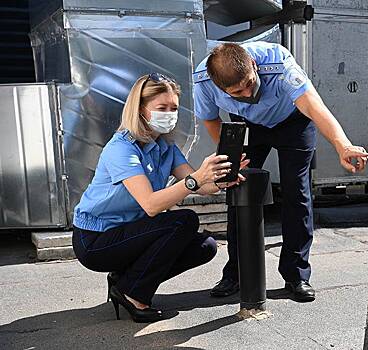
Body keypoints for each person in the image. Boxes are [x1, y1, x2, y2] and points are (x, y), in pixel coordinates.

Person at [193, 42, 368, 302]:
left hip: (293, 122)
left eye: (249, 84)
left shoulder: (279, 64)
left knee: (296, 193)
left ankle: (296, 275)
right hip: (248, 124)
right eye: (237, 92)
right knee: (239, 188)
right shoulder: (203, 81)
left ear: (253, 65)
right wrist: (232, 156)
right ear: (219, 87)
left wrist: (342, 145)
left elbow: (312, 104)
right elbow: (210, 119)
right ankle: (236, 273)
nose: (247, 93)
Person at [72, 73, 249, 323]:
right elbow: (152, 204)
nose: (169, 113)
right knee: (183, 220)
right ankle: (133, 293)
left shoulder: (166, 145)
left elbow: (197, 184)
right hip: (96, 239)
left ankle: (126, 280)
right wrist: (197, 178)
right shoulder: (122, 148)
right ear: (141, 109)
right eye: (161, 108)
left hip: (130, 231)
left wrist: (221, 178)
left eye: (174, 108)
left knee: (205, 246)